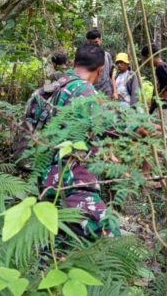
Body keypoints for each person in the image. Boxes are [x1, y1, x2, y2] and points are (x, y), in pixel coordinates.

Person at [39, 43, 120, 238]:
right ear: (101, 70)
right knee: (110, 237)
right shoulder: (85, 92)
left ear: (74, 63)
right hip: (74, 183)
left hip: (45, 182)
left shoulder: (47, 90)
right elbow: (109, 127)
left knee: (58, 243)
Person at [140, 45, 167, 138]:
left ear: (149, 55)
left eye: (145, 58)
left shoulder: (160, 67)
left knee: (164, 135)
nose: (146, 62)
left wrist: (163, 91)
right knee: (158, 133)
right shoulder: (160, 67)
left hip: (163, 106)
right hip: (160, 106)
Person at [86, 28, 115, 100]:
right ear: (87, 42)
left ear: (100, 40)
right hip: (91, 93)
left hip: (107, 92)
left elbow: (111, 74)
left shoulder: (107, 55)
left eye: (96, 42)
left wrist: (115, 91)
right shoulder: (85, 57)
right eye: (91, 43)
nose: (94, 45)